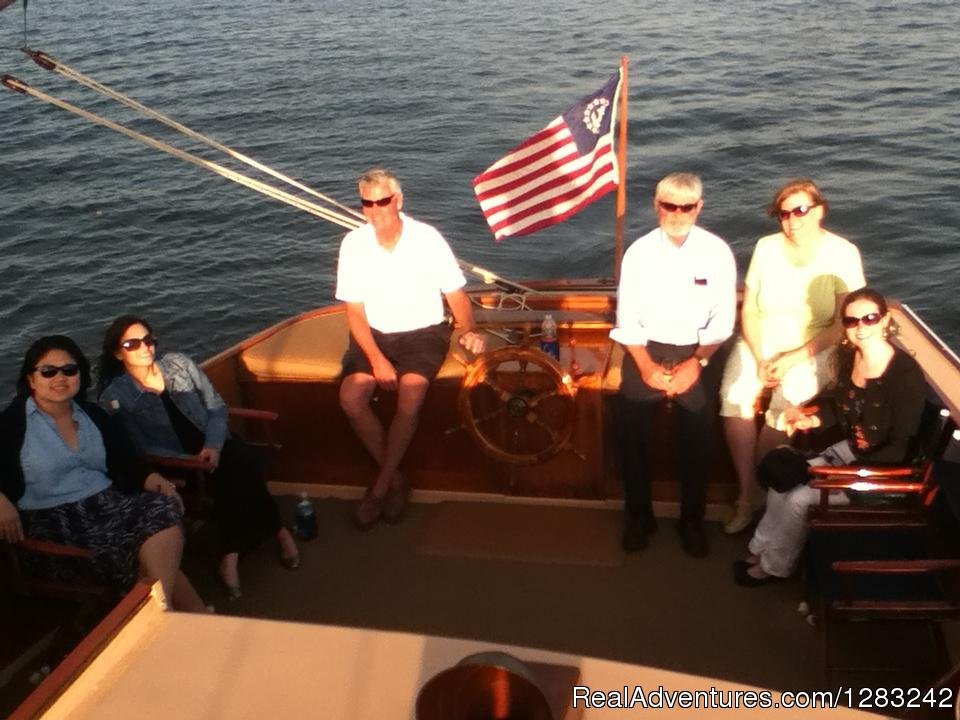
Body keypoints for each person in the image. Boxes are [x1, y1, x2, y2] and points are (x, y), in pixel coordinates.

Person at [97, 316, 299, 600]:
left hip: (217, 445)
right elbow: (138, 448)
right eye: (132, 344)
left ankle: (230, 555)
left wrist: (213, 446)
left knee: (235, 465)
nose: (144, 347)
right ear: (118, 353)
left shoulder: (180, 364)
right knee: (241, 470)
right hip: (180, 466)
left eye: (148, 340)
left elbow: (217, 409)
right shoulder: (115, 397)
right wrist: (191, 460)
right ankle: (279, 532)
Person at [733, 288, 926, 585]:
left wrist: (835, 474)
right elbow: (838, 406)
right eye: (852, 321)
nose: (861, 327)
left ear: (884, 321)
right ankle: (761, 549)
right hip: (850, 452)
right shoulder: (850, 359)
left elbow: (900, 447)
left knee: (799, 499)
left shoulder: (905, 375)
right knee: (781, 481)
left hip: (881, 471)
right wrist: (811, 416)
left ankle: (775, 567)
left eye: (870, 318)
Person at [0, 335, 206, 612]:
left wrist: (151, 478)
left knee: (162, 507)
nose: (59, 377)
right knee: (150, 549)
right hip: (55, 519)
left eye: (69, 370)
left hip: (109, 504)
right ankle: (186, 613)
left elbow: (125, 460)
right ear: (31, 379)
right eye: (48, 371)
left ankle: (162, 611)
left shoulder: (91, 415)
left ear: (80, 375)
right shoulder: (11, 424)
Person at [336, 168, 485, 530]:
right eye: (367, 203)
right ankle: (397, 480)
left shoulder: (428, 239)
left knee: (410, 396)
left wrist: (468, 330)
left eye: (382, 201)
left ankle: (381, 487)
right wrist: (376, 359)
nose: (375, 210)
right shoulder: (353, 244)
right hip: (375, 334)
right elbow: (354, 311)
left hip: (424, 333)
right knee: (351, 398)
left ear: (398, 201)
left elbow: (455, 295)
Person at [719, 179, 866, 535]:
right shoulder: (766, 247)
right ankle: (747, 493)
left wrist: (791, 359)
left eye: (801, 210)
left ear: (820, 210)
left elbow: (841, 324)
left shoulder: (843, 253)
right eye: (784, 214)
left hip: (816, 344)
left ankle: (762, 488)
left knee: (785, 402)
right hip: (762, 339)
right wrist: (758, 355)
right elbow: (751, 311)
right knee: (733, 398)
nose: (792, 220)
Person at [611, 172, 737, 557]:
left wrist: (696, 363)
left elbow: (723, 322)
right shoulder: (639, 253)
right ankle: (639, 514)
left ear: (699, 207)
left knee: (698, 436)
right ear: (656, 206)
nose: (677, 213)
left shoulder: (717, 253)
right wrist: (645, 365)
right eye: (669, 205)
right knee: (628, 431)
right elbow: (627, 317)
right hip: (646, 348)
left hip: (700, 351)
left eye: (686, 206)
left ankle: (692, 519)